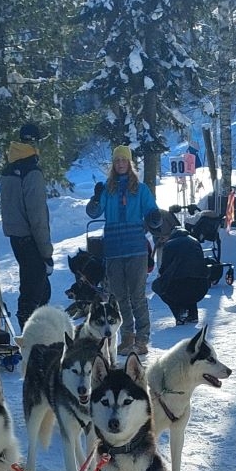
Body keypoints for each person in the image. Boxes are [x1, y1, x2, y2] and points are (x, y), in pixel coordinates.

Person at [86, 145, 161, 356]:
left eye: (124, 160)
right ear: (113, 164)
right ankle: (128, 336)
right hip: (113, 250)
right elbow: (93, 213)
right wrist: (95, 198)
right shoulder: (106, 189)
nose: (120, 164)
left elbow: (152, 211)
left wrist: (154, 217)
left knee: (137, 296)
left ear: (130, 163)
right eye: (117, 160)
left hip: (136, 249)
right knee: (120, 297)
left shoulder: (140, 189)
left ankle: (142, 339)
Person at [0, 122, 53, 332]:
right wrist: (46, 252)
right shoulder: (31, 171)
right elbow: (37, 215)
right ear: (36, 143)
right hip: (31, 238)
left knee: (37, 287)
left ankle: (37, 333)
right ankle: (30, 338)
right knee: (34, 293)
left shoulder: (10, 169)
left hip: (16, 237)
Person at [151, 224, 209, 324]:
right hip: (201, 288)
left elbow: (163, 269)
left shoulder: (169, 245)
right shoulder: (195, 242)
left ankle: (179, 313)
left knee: (157, 286)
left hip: (177, 288)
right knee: (192, 282)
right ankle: (193, 315)